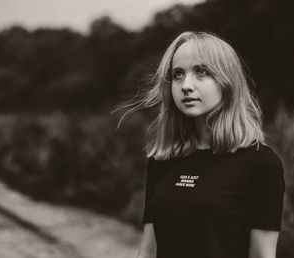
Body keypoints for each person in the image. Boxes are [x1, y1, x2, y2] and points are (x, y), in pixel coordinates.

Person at [117, 31, 285, 258]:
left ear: (227, 81)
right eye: (178, 74)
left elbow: (262, 255)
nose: (186, 85)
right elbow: (147, 251)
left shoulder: (261, 163)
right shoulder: (163, 160)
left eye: (201, 72)